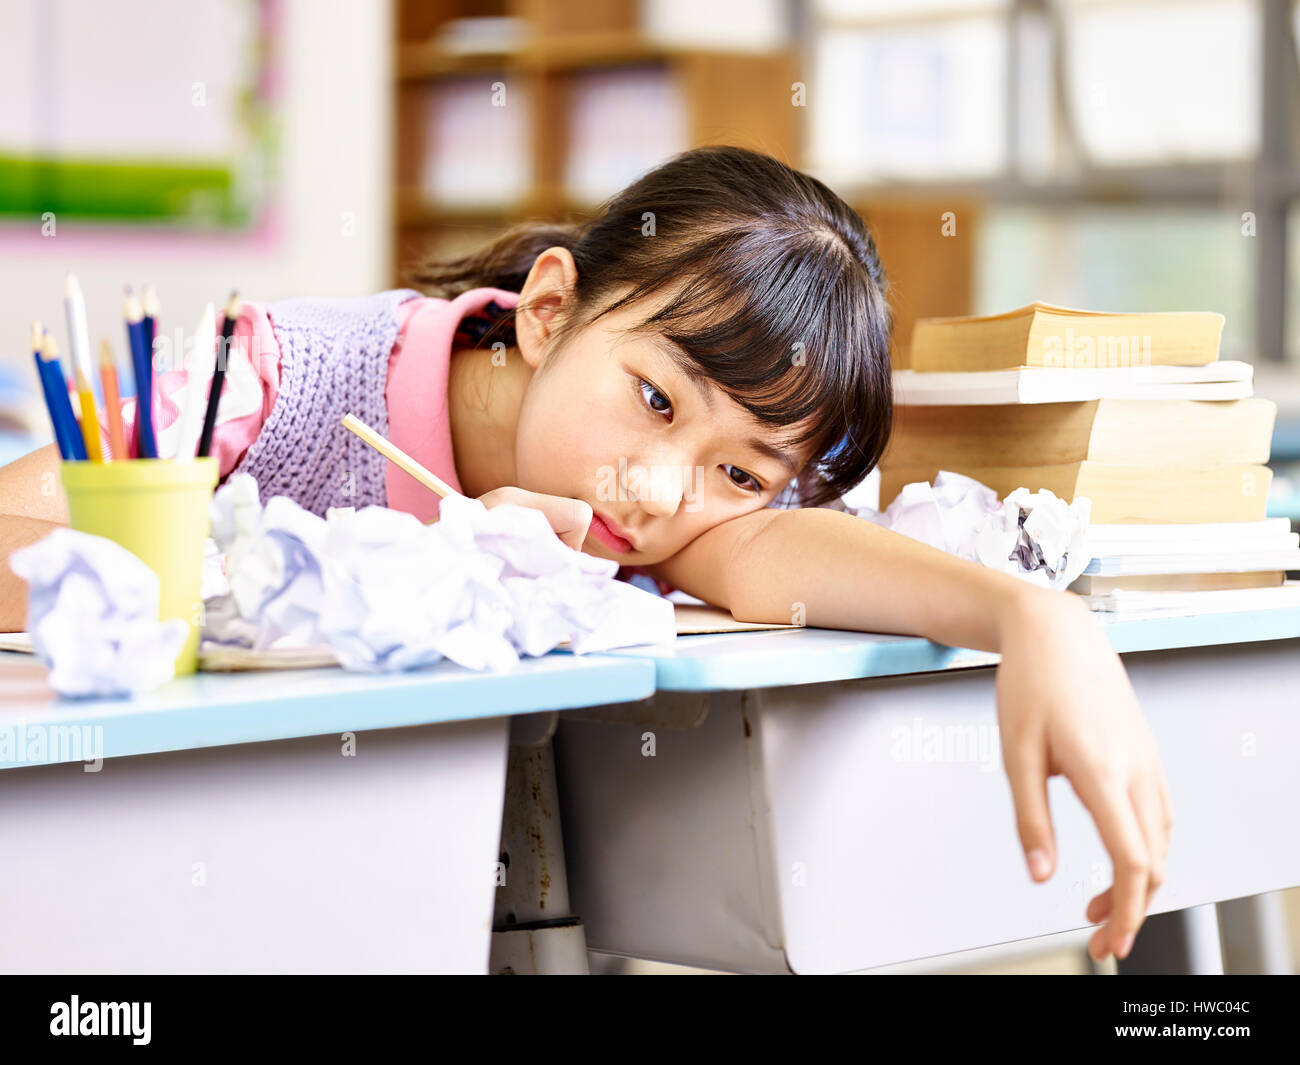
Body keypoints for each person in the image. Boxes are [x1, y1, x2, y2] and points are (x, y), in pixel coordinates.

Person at [0, 145, 1170, 964]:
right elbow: (12, 542)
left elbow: (776, 558)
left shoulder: (671, 511)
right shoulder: (273, 379)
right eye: (657, 400)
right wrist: (341, 569)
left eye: (741, 468)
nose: (662, 494)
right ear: (550, 310)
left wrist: (1035, 619)